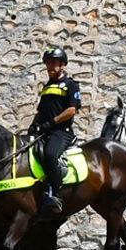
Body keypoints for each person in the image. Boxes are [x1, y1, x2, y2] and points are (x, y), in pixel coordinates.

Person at [29, 46, 81, 214]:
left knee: (51, 154)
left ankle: (56, 195)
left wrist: (52, 122)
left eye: (54, 63)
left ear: (62, 64)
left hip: (62, 132)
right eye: (48, 63)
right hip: (45, 131)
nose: (51, 66)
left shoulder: (70, 85)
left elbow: (72, 110)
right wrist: (33, 126)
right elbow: (40, 111)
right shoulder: (46, 87)